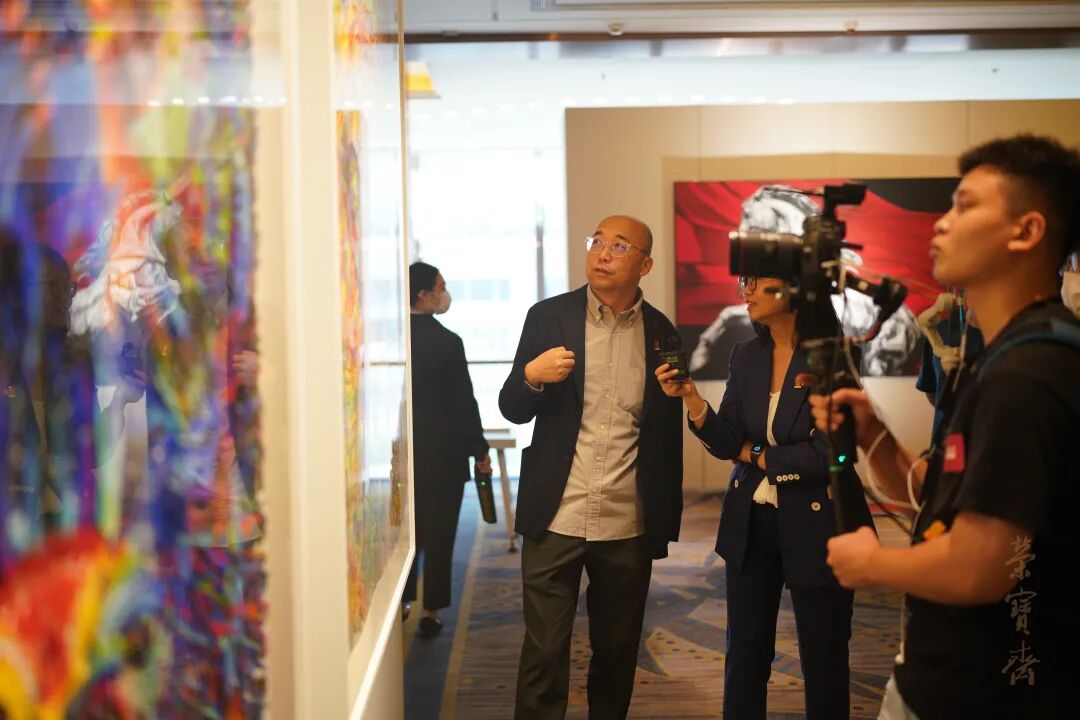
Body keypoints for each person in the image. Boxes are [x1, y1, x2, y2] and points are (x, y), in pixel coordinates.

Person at [810, 134, 1080, 719]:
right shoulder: (1003, 356)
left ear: (1027, 231)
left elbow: (980, 566)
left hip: (983, 694)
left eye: (965, 205)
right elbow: (947, 509)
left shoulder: (1028, 374)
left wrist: (871, 564)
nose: (941, 222)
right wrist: (876, 439)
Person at [656, 273, 873, 719]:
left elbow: (829, 453)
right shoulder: (747, 354)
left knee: (825, 659)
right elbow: (727, 440)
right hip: (751, 521)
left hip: (820, 524)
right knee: (745, 656)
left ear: (794, 287)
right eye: (744, 281)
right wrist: (693, 400)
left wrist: (755, 455)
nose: (746, 291)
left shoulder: (834, 357)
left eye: (756, 280)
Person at [500, 215, 683, 720]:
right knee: (544, 651)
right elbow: (512, 407)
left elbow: (664, 438)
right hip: (557, 512)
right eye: (597, 241)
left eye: (619, 246)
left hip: (626, 521)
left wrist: (665, 521)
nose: (602, 253)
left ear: (645, 264)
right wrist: (531, 376)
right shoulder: (548, 317)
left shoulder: (662, 333)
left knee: (617, 653)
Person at [405, 261, 491, 638]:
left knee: (404, 531)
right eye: (441, 287)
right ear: (424, 295)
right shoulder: (448, 342)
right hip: (445, 458)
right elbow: (463, 403)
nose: (445, 293)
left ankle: (401, 600)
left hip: (404, 458)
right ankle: (431, 609)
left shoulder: (395, 339)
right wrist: (480, 450)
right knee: (441, 535)